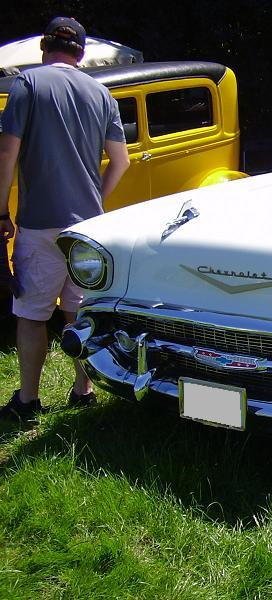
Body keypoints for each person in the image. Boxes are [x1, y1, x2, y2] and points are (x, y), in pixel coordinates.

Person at [0, 17, 129, 419]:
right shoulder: (102, 93)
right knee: (80, 311)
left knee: (31, 315)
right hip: (86, 228)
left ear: (44, 47)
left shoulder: (27, 84)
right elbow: (121, 161)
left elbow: (7, 153)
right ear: (81, 53)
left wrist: (1, 211)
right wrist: (95, 200)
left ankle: (28, 401)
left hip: (39, 223)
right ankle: (83, 390)